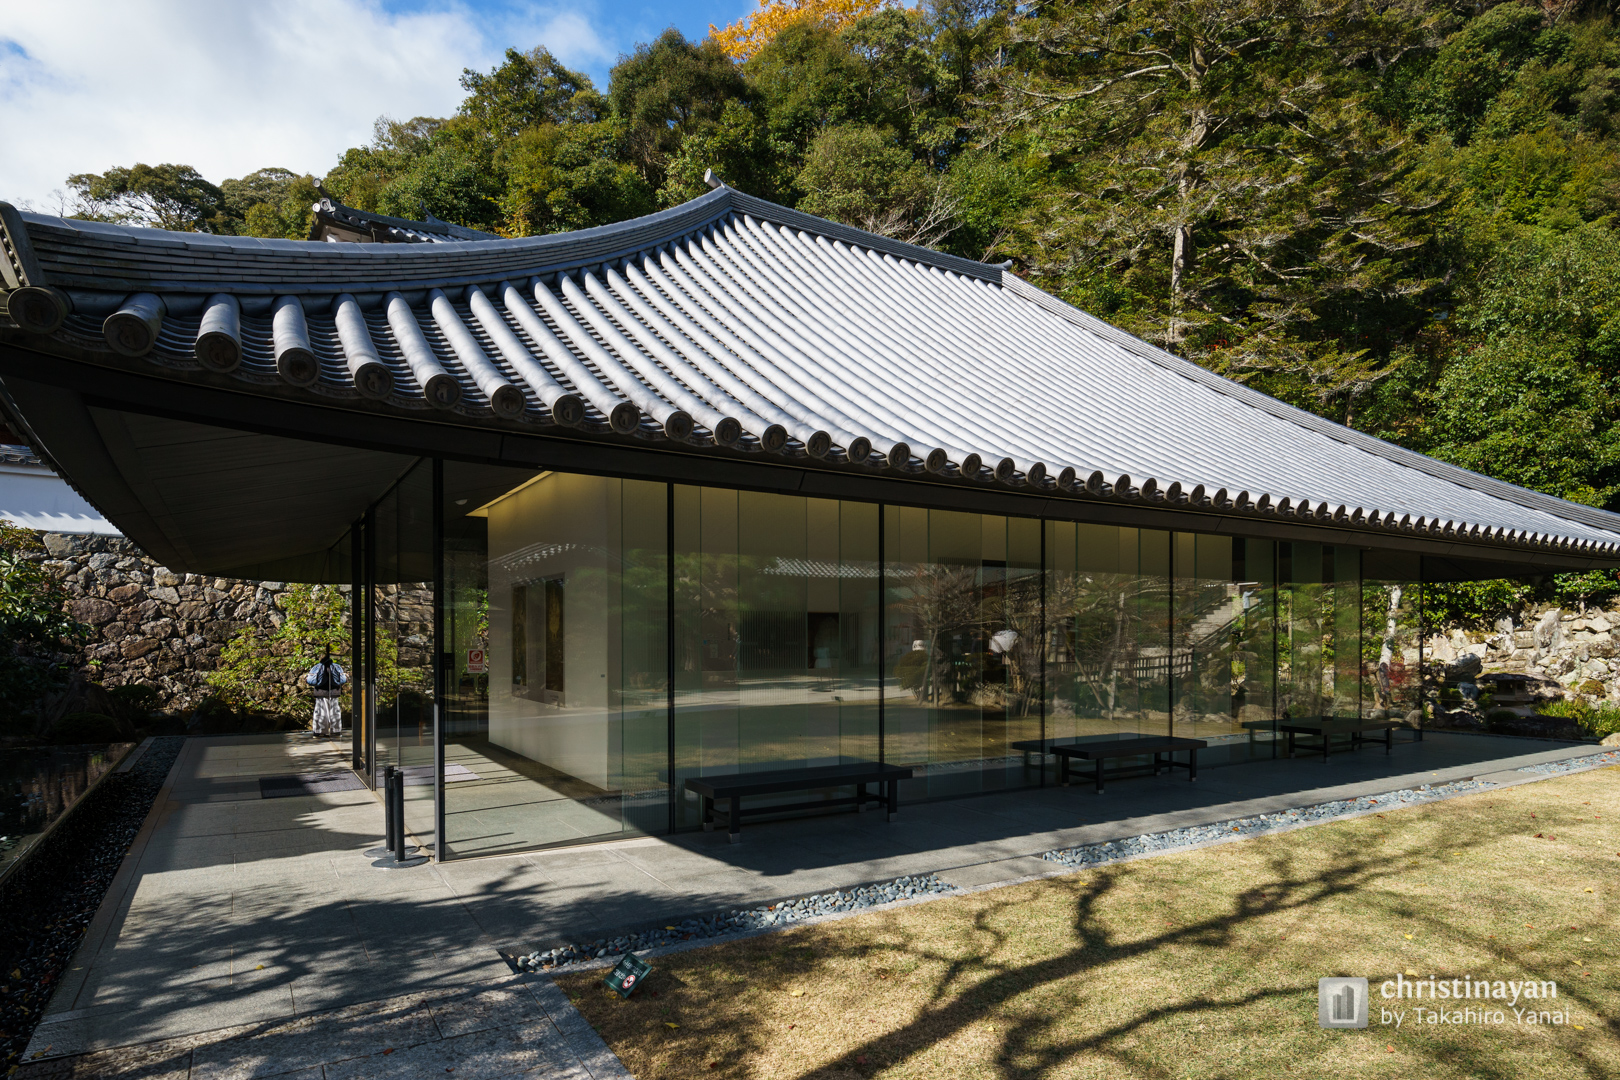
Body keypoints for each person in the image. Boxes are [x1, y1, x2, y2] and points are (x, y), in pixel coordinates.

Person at [305, 650, 348, 739]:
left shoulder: (317, 667)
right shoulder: (337, 667)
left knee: (320, 712)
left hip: (320, 692)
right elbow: (342, 680)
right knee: (335, 712)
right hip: (334, 692)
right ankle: (336, 731)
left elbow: (310, 680)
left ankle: (319, 731)